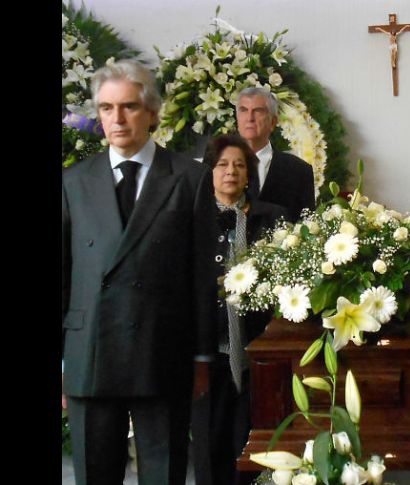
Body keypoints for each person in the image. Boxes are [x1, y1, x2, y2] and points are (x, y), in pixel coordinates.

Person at [62, 59, 219, 484]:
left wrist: (202, 356)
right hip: (90, 351)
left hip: (162, 350)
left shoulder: (190, 178)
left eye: (128, 106)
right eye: (106, 108)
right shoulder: (74, 182)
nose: (117, 119)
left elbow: (202, 277)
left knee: (164, 474)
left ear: (152, 112)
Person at [192, 134, 288, 485]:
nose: (230, 171)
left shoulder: (273, 218)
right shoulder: (194, 219)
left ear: (249, 174)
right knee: (210, 442)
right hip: (208, 352)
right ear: (210, 172)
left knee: (253, 443)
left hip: (258, 351)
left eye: (239, 165)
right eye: (222, 165)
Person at [235, 87, 315, 222]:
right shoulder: (216, 164)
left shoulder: (299, 170)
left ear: (272, 122)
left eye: (258, 111)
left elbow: (307, 225)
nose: (249, 118)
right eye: (243, 110)